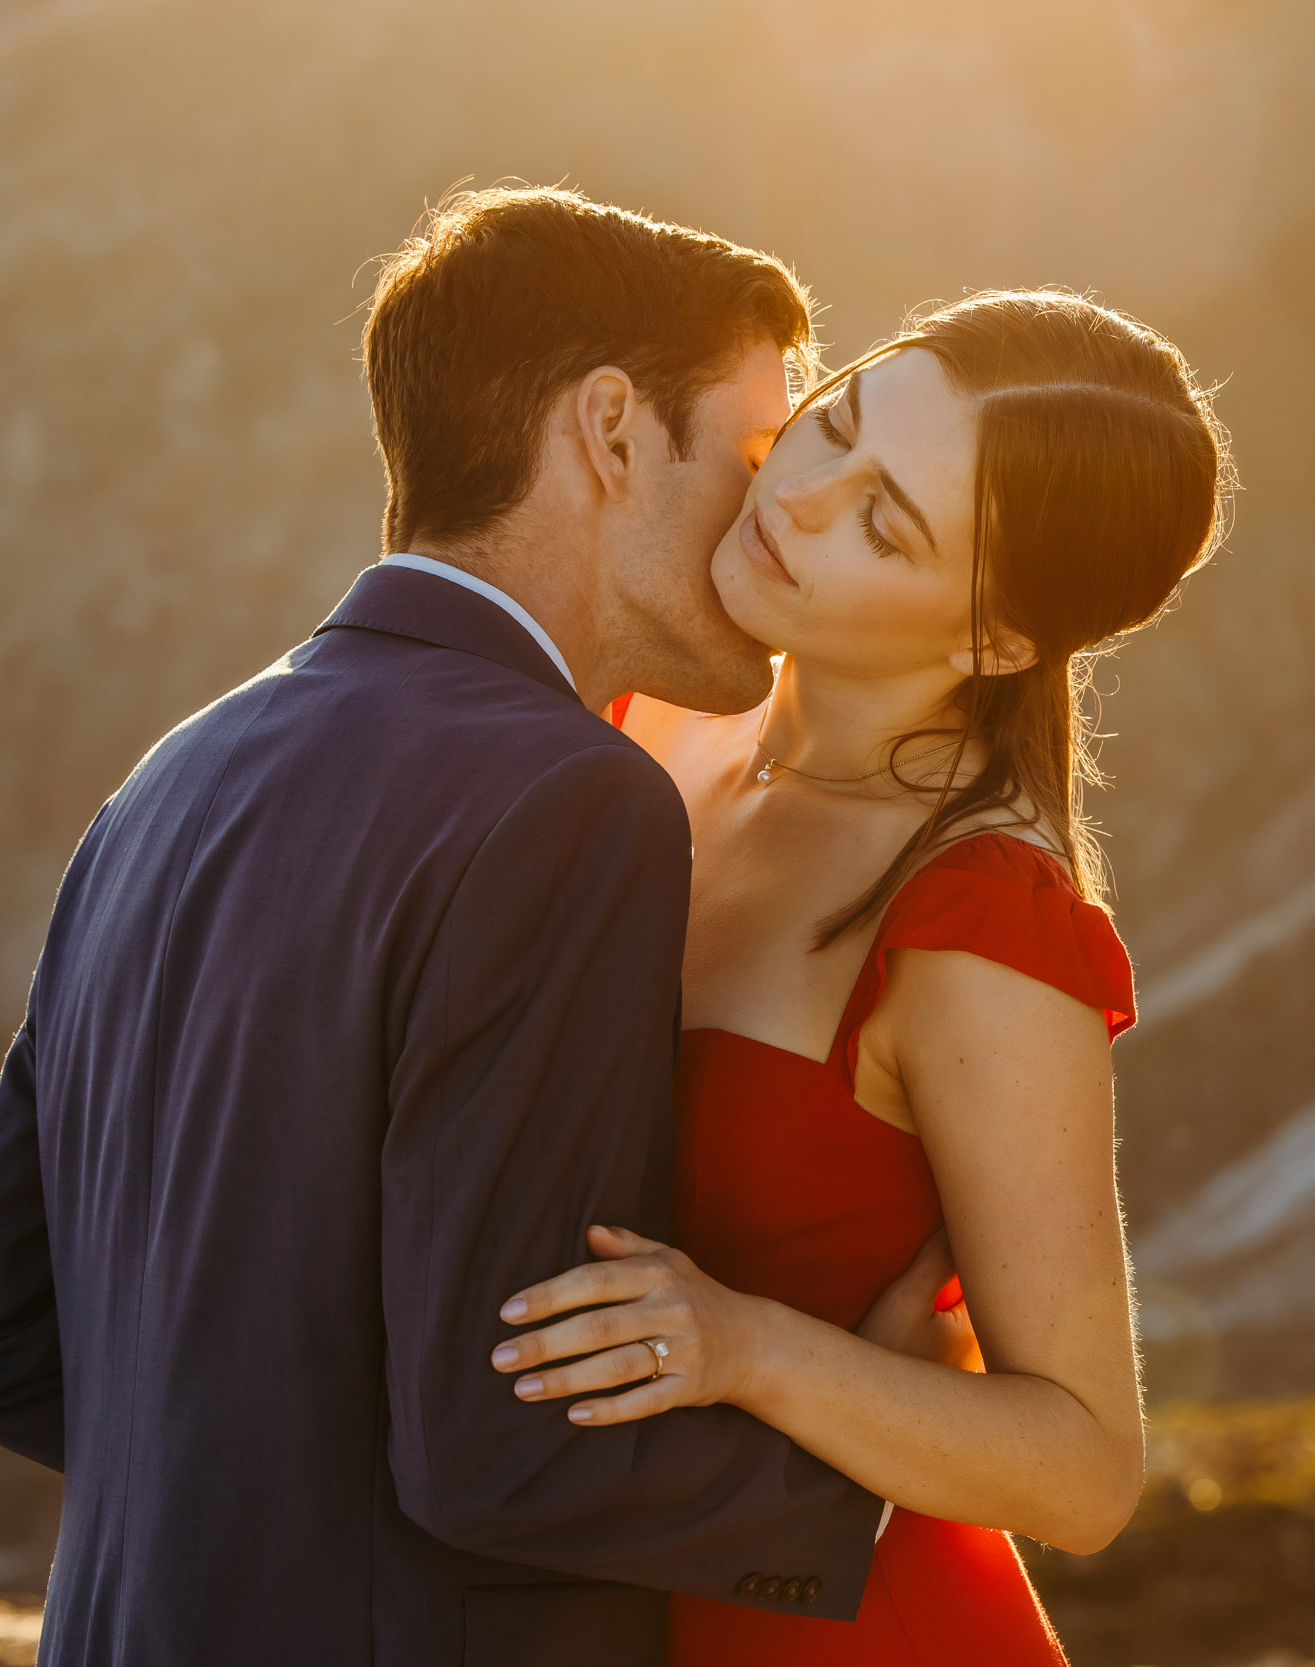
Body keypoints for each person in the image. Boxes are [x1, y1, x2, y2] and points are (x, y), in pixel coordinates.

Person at [0, 186, 929, 1667]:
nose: (775, 525)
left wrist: (262, 1519)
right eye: (758, 456)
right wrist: (873, 1462)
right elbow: (501, 1450)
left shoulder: (167, 783)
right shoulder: (572, 797)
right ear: (608, 431)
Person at [483, 288, 1232, 1664]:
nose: (805, 502)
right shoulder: (646, 716)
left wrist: (744, 1348)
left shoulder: (975, 921)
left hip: (839, 1630)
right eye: (834, 425)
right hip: (551, 1601)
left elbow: (1082, 1471)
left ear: (994, 641)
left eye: (888, 522)